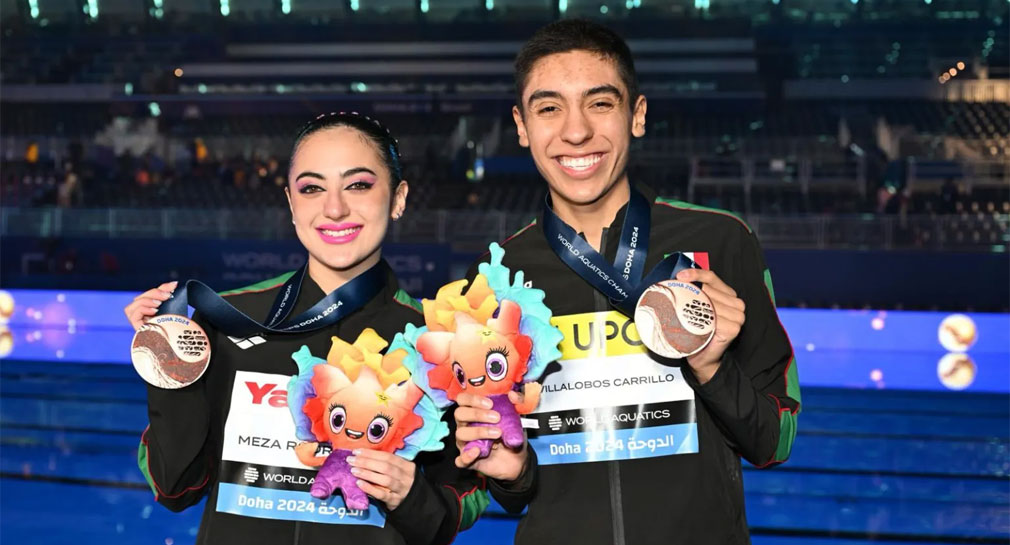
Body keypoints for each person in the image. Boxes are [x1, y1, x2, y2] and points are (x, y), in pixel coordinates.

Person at [452, 20, 800, 545]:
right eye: (549, 108)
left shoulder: (722, 241)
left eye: (600, 103)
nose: (575, 132)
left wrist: (710, 367)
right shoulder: (497, 276)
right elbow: (510, 487)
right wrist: (515, 468)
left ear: (636, 115)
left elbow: (775, 441)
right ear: (522, 126)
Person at [124, 112, 488, 545]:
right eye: (312, 188)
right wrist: (169, 367)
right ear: (291, 203)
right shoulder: (229, 320)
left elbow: (453, 511)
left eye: (358, 184)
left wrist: (411, 495)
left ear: (398, 198)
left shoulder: (438, 342)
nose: (334, 208)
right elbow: (175, 486)